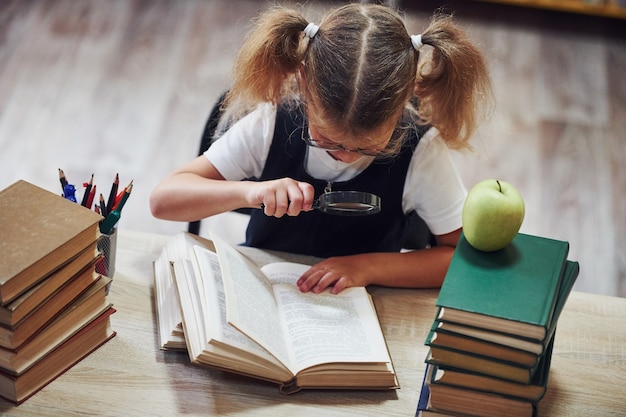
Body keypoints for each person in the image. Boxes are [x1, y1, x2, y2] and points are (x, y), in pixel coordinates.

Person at [150, 3, 493, 294]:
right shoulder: (272, 124)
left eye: (368, 148)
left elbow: (461, 258)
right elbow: (164, 200)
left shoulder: (422, 150)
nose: (345, 154)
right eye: (326, 139)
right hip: (266, 289)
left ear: (405, 100)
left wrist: (366, 268)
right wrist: (250, 193)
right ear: (303, 84)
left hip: (365, 301)